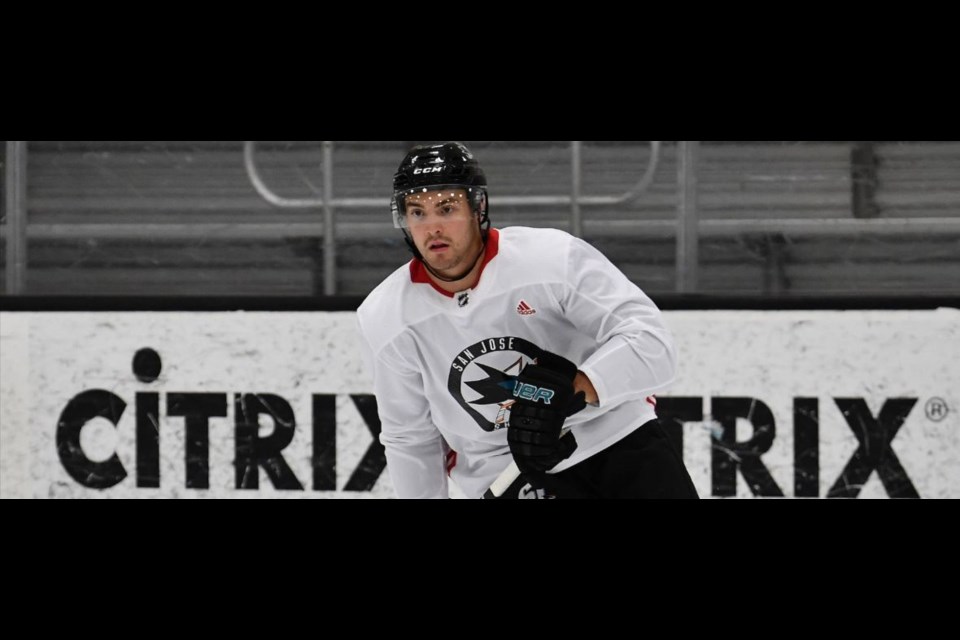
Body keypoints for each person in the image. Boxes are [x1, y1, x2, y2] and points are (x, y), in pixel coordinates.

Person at [357, 142, 698, 499]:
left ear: (478, 207)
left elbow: (654, 344)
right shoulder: (386, 317)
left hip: (616, 440)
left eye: (447, 208)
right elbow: (409, 437)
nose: (433, 227)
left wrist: (576, 389)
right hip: (510, 477)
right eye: (417, 212)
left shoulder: (551, 259)